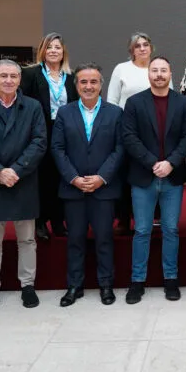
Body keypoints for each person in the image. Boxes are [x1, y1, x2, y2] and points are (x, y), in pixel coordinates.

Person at [0, 59, 47, 313]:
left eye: (14, 76)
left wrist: (17, 170)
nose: (9, 80)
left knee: (27, 239)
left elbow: (39, 142)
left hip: (23, 179)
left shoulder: (33, 107)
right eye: (3, 76)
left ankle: (28, 285)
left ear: (20, 79)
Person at [122, 56, 186, 304]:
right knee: (142, 230)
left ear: (170, 73)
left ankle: (170, 279)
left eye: (164, 70)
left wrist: (170, 163)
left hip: (173, 177)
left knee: (171, 229)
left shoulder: (183, 103)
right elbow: (129, 137)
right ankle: (137, 281)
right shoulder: (134, 102)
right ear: (149, 74)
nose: (159, 74)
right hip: (144, 176)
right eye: (155, 70)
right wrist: (153, 162)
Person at [52, 63, 124, 307]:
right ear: (76, 85)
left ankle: (106, 285)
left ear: (101, 85)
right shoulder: (65, 113)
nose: (89, 86)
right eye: (83, 82)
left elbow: (120, 149)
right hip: (74, 189)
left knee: (104, 238)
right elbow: (57, 149)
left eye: (94, 82)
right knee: (75, 240)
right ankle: (74, 286)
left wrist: (101, 177)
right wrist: (73, 178)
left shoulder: (115, 113)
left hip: (104, 189)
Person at [106, 33, 172, 236]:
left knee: (155, 174)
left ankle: (155, 217)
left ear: (151, 48)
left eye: (145, 44)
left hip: (155, 133)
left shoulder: (158, 68)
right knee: (127, 175)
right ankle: (124, 218)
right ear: (131, 50)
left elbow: (169, 99)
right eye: (137, 45)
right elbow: (112, 101)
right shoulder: (121, 69)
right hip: (127, 132)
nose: (142, 48)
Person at [21, 33, 78, 240]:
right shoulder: (30, 74)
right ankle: (39, 222)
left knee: (61, 176)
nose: (53, 51)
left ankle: (58, 220)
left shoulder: (71, 77)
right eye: (49, 47)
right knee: (42, 178)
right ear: (43, 51)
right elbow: (23, 105)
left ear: (64, 52)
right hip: (39, 132)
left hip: (65, 133)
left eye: (57, 47)